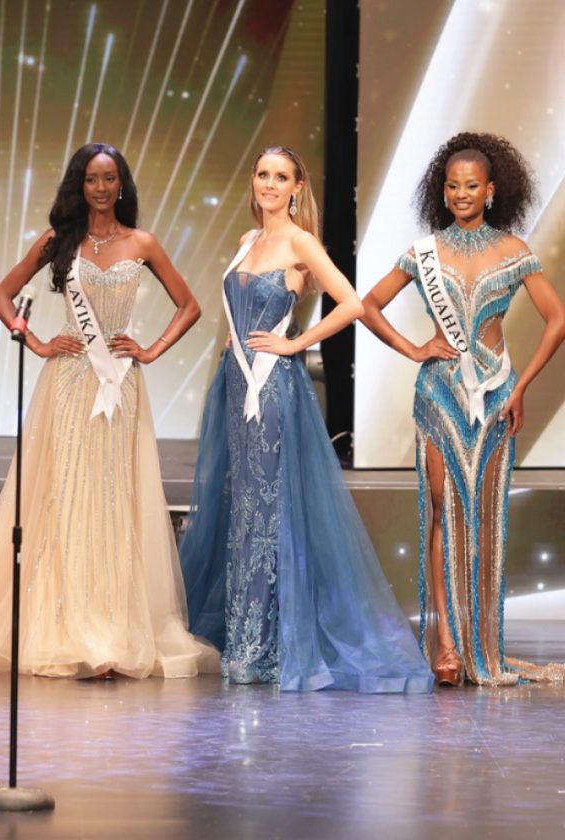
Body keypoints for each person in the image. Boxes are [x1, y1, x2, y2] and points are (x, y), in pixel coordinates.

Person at [0, 142, 218, 679]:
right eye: (91, 178)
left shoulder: (142, 242)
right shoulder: (60, 240)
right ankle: (63, 626)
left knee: (113, 499)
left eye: (109, 178)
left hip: (119, 385)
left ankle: (112, 628)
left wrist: (151, 350)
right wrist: (33, 341)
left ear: (121, 184)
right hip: (68, 382)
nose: (101, 187)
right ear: (80, 184)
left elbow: (190, 305)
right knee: (65, 496)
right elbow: (2, 296)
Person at [179, 146, 433, 693]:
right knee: (243, 506)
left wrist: (296, 343)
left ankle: (268, 644)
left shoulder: (300, 242)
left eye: (281, 177)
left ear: (297, 188)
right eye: (262, 174)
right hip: (236, 382)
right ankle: (246, 639)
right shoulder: (248, 240)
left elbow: (352, 303)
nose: (269, 184)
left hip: (271, 386)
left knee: (269, 508)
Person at [361, 132, 565, 686]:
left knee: (484, 516)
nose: (460, 195)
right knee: (441, 509)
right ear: (442, 189)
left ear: (491, 190)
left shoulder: (514, 251)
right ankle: (447, 647)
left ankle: (481, 642)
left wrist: (521, 389)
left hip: (496, 397)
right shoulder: (424, 252)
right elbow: (369, 305)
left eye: (471, 186)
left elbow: (557, 319)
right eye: (452, 186)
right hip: (440, 395)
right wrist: (413, 348)